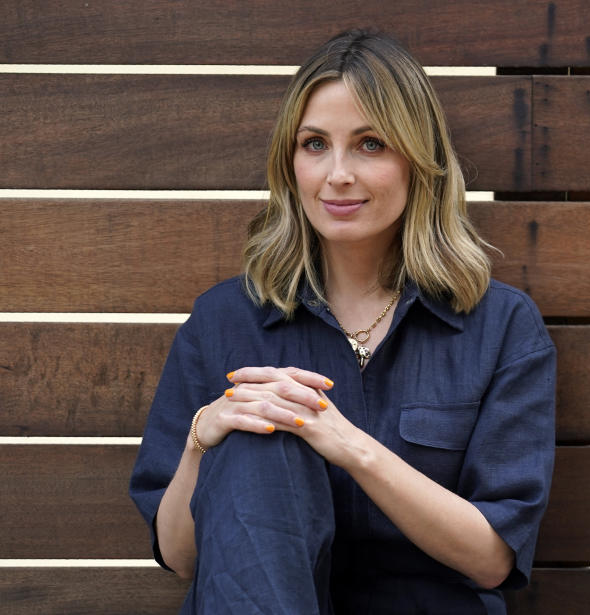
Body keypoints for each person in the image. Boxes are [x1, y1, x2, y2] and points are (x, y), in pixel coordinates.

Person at [129, 30, 556, 614]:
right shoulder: (225, 320)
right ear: (291, 161)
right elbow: (183, 558)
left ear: (418, 161)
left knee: (285, 420)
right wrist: (204, 439)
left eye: (370, 144)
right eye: (314, 144)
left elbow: (492, 558)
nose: (337, 174)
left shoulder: (500, 326)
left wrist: (347, 443)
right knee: (258, 431)